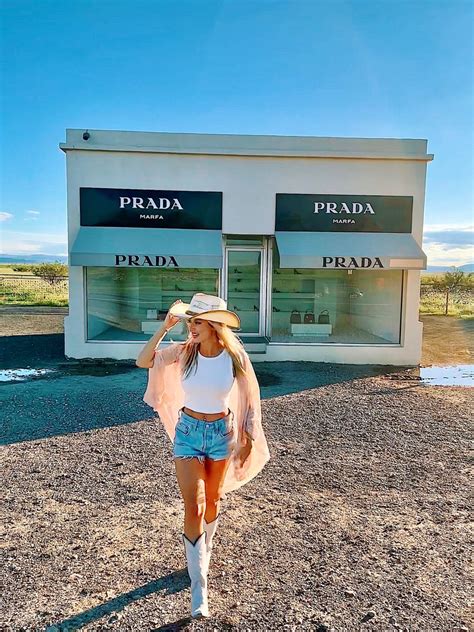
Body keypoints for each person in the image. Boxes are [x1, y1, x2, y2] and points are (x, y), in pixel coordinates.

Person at [136, 293, 271, 619]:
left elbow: (251, 398)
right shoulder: (183, 353)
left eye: (197, 322)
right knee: (194, 503)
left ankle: (202, 551)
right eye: (190, 321)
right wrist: (164, 328)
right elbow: (144, 361)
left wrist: (248, 437)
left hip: (221, 436)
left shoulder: (234, 356)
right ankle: (200, 587)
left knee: (213, 500)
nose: (191, 327)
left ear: (214, 325)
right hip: (188, 434)